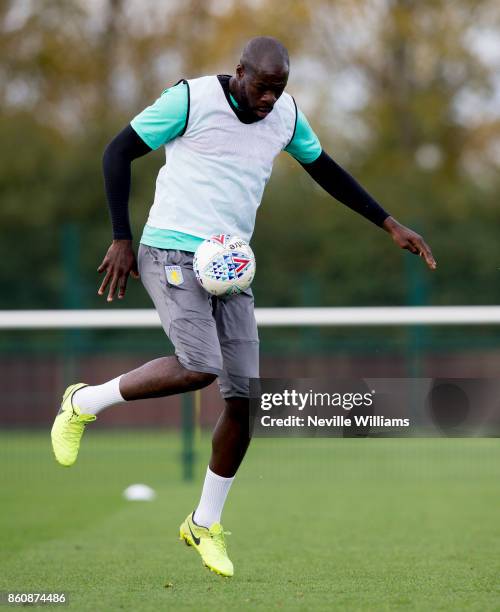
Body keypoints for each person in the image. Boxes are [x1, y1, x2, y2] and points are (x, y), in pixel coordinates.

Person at [51, 36, 436, 578]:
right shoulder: (189, 100)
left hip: (230, 262)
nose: (270, 100)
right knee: (199, 366)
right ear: (239, 73)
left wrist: (389, 222)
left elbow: (324, 168)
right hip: (170, 249)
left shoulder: (285, 116)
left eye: (279, 90)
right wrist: (120, 236)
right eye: (262, 87)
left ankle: (203, 523)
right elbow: (117, 151)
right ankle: (84, 402)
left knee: (244, 399)